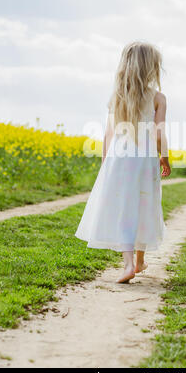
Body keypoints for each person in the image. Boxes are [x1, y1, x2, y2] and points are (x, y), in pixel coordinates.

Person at [75, 41, 171, 283]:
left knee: (124, 207)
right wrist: (165, 157)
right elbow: (159, 133)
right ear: (152, 68)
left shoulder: (117, 96)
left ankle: (129, 264)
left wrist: (106, 163)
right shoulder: (158, 98)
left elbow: (108, 134)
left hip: (119, 158)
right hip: (144, 158)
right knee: (145, 203)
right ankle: (140, 261)